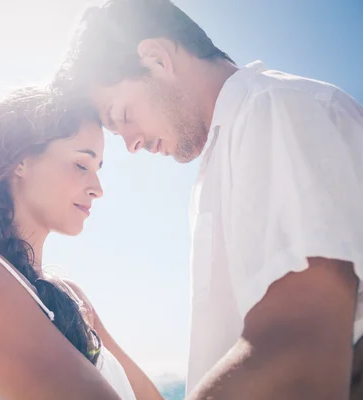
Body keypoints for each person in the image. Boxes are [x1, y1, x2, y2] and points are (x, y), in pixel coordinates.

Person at [53, 0, 363, 399]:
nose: (131, 144)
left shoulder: (274, 110)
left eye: (123, 115)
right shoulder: (230, 148)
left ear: (157, 59)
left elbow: (300, 343)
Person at [0, 86, 164, 400]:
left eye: (98, 170)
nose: (98, 188)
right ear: (20, 161)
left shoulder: (74, 300)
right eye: (82, 165)